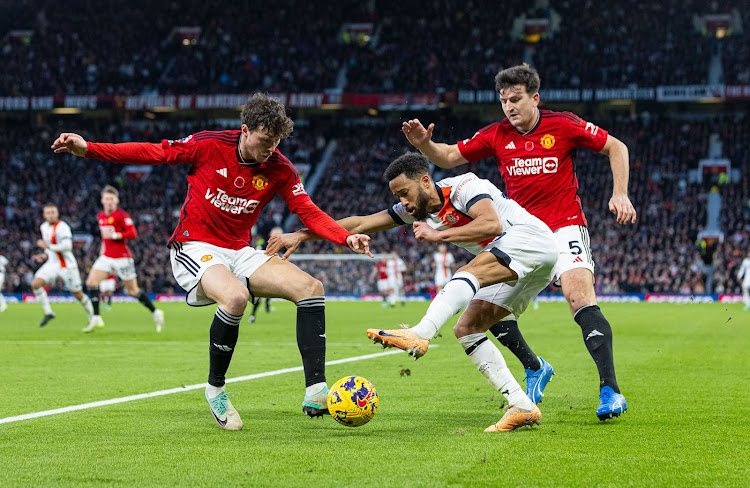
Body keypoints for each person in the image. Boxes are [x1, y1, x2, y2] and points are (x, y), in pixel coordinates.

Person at [52, 92, 372, 431]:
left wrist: (344, 236)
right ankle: (215, 389)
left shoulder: (280, 168)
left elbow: (308, 211)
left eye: (276, 142)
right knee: (235, 297)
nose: (270, 149)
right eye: (265, 141)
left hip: (240, 250)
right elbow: (153, 151)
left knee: (311, 287)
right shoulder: (208, 145)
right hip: (194, 245)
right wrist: (90, 148)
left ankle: (316, 390)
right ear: (245, 130)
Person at [401, 63, 636, 420]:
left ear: (534, 98)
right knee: (482, 309)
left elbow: (616, 147)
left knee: (578, 298)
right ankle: (535, 366)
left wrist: (621, 193)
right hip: (521, 236)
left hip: (565, 226)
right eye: (503, 101)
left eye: (515, 99)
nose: (509, 107)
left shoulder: (564, 125)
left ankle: (610, 390)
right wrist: (425, 145)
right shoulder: (497, 134)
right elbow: (448, 157)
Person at [269, 152, 557, 432]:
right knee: (468, 328)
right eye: (397, 196)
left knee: (466, 273)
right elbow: (360, 222)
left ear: (425, 181)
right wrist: (302, 235)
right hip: (521, 262)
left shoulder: (465, 187)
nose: (403, 202)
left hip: (531, 239)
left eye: (405, 192)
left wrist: (439, 235)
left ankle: (420, 334)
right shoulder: (414, 210)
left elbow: (491, 223)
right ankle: (521, 405)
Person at [81, 186, 165, 333]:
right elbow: (103, 237)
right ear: (102, 200)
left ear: (116, 201)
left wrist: (115, 236)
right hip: (106, 257)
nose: (109, 202)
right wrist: (102, 250)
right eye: (106, 199)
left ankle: (156, 312)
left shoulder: (121, 215)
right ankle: (96, 317)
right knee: (91, 282)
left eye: (111, 199)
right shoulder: (101, 216)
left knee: (133, 291)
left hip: (122, 258)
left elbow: (133, 233)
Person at [30, 203, 94, 326]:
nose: (50, 215)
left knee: (77, 294)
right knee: (36, 284)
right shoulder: (44, 227)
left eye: (53, 212)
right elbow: (49, 248)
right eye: (48, 213)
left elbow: (67, 246)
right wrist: (45, 254)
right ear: (44, 215)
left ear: (57, 213)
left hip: (67, 265)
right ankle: (49, 312)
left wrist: (48, 246)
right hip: (52, 263)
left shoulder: (62, 227)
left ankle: (93, 316)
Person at [248, 226, 284, 323]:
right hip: (261, 270)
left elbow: (285, 257)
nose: (277, 236)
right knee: (259, 296)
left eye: (279, 234)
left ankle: (267, 302)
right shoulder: (263, 243)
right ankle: (253, 315)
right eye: (275, 234)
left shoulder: (282, 245)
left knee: (272, 289)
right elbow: (257, 253)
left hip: (273, 271)